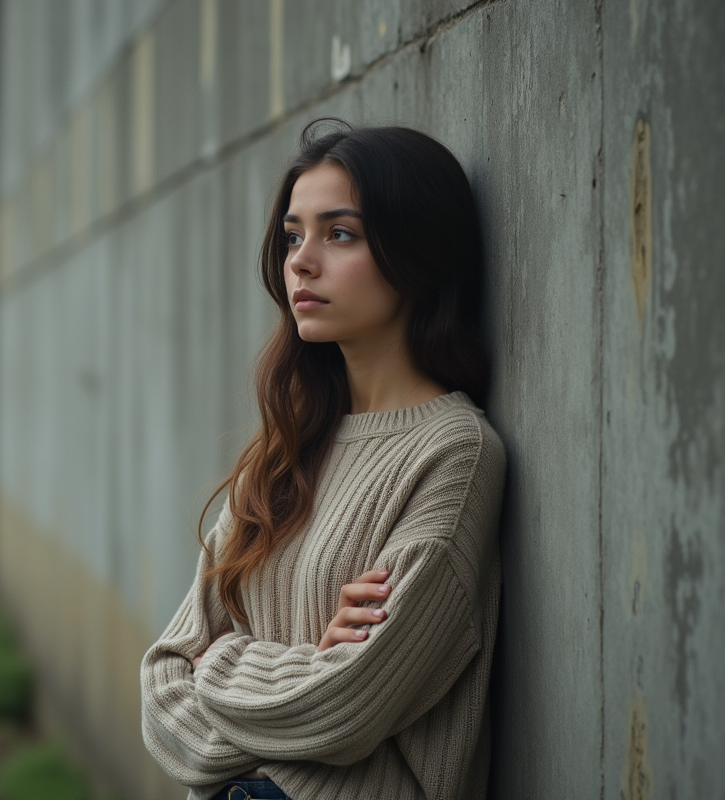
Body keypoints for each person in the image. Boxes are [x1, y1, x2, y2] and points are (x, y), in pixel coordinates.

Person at [139, 120, 507, 800]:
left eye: (340, 234)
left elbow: (347, 707)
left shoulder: (454, 455)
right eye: (293, 236)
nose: (301, 261)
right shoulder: (286, 449)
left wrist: (223, 661)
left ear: (419, 253)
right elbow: (161, 688)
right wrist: (305, 665)